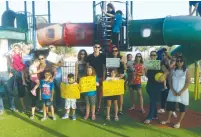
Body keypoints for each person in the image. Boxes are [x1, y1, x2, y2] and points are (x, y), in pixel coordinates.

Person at [161, 56, 190, 128]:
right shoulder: (173, 70)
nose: (179, 62)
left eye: (181, 61)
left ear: (183, 62)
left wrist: (181, 92)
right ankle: (168, 120)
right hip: (172, 91)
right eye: (178, 61)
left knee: (181, 107)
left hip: (183, 92)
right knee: (170, 106)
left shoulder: (186, 71)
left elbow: (188, 82)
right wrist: (173, 90)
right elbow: (169, 81)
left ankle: (178, 122)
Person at [144, 51, 169, 124]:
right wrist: (145, 69)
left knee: (152, 100)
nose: (153, 56)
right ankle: (155, 115)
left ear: (156, 56)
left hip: (157, 85)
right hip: (149, 85)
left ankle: (149, 117)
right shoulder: (148, 63)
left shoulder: (160, 63)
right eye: (151, 55)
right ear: (150, 56)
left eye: (154, 55)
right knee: (153, 100)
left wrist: (162, 77)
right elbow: (146, 75)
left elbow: (167, 72)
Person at [86, 44, 106, 114]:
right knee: (92, 92)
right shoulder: (89, 57)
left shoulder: (103, 56)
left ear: (99, 48)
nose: (96, 48)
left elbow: (104, 68)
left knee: (100, 92)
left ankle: (99, 106)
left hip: (100, 77)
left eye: (98, 47)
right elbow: (87, 67)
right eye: (95, 47)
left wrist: (103, 77)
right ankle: (91, 107)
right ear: (93, 48)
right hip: (92, 77)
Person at [107, 46, 125, 115]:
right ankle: (112, 108)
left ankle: (120, 109)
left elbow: (125, 68)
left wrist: (123, 62)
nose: (114, 52)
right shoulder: (109, 59)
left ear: (118, 51)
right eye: (113, 51)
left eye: (116, 50)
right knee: (112, 93)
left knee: (120, 94)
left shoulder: (122, 57)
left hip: (120, 77)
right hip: (112, 77)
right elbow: (108, 69)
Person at [75, 49, 87, 114]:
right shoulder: (77, 62)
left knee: (84, 94)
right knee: (79, 93)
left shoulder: (87, 62)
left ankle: (84, 107)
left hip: (85, 80)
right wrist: (75, 80)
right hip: (79, 79)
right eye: (81, 54)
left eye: (84, 54)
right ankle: (79, 107)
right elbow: (76, 71)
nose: (83, 55)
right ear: (79, 54)